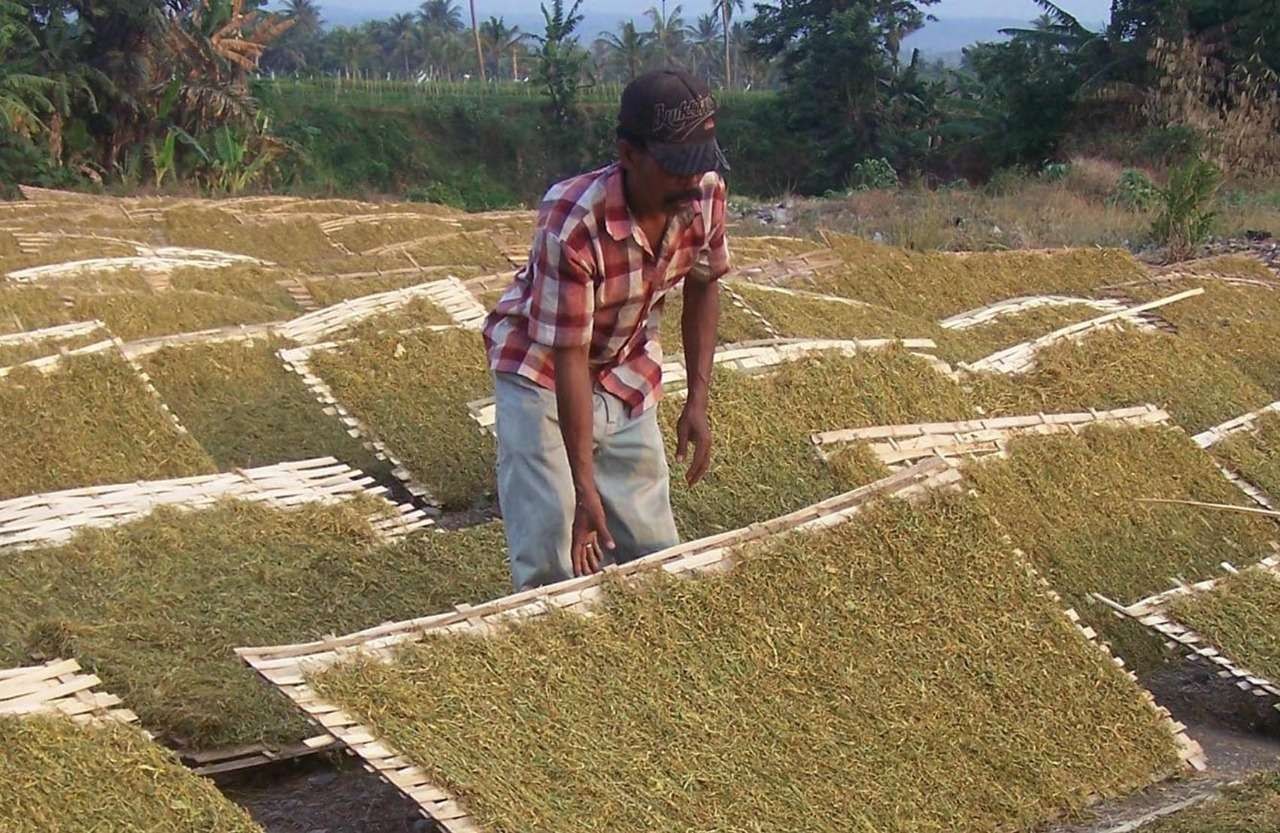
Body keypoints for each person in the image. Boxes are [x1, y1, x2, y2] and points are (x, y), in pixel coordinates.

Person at [483, 68, 731, 590]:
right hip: (543, 371)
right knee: (553, 550)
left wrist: (697, 403)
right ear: (629, 155)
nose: (691, 182)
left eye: (698, 167)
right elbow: (567, 356)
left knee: (654, 549)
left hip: (625, 366)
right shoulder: (573, 221)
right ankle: (550, 635)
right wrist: (582, 486)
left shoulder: (703, 193)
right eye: (676, 168)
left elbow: (704, 285)